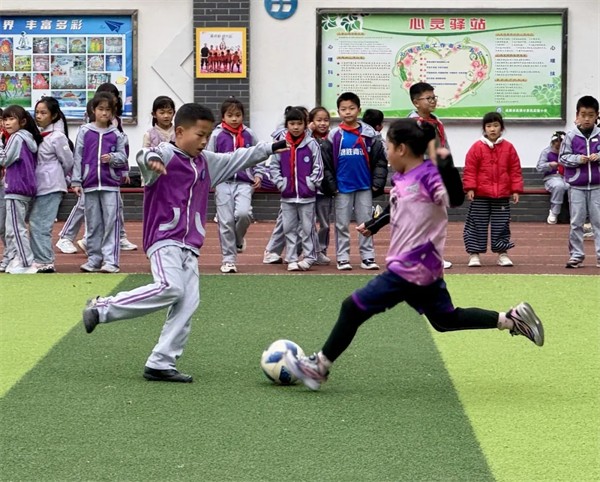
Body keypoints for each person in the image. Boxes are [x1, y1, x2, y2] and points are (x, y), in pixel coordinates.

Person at [284, 118, 545, 391]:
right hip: (422, 269)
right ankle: (511, 319)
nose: (386, 154)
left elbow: (454, 199)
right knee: (445, 320)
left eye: (388, 147)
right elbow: (399, 207)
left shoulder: (428, 176)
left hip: (412, 267)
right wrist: (375, 224)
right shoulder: (402, 177)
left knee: (352, 308)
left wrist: (445, 165)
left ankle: (319, 366)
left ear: (401, 149)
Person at [81, 103, 287, 383]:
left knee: (188, 301)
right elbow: (145, 155)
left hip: (190, 244)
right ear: (179, 132)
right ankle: (101, 308)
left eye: (207, 135)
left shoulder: (206, 162)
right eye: (199, 135)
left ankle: (160, 362)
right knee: (170, 287)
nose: (204, 141)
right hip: (163, 238)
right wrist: (151, 160)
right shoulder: (165, 155)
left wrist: (270, 148)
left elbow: (238, 157)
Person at [328, 92, 388, 270]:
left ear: (359, 110)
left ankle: (368, 257)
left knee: (366, 222)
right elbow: (327, 163)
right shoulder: (334, 135)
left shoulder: (369, 134)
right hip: (342, 187)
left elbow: (380, 160)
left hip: (364, 186)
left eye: (352, 108)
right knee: (342, 224)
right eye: (343, 109)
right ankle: (343, 258)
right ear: (338, 112)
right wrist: (332, 186)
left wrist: (377, 183)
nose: (348, 112)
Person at [71, 92, 128, 273]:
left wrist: (112, 158)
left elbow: (123, 157)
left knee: (111, 222)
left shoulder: (116, 134)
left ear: (113, 112)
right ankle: (94, 259)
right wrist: (76, 181)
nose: (104, 113)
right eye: (101, 109)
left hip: (110, 184)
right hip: (90, 183)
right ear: (93, 110)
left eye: (108, 110)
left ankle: (111, 261)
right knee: (93, 223)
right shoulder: (84, 131)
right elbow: (78, 156)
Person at [206, 97, 261, 273]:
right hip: (223, 182)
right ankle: (228, 259)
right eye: (230, 115)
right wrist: (210, 178)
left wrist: (258, 173)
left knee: (244, 214)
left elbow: (258, 154)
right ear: (223, 117)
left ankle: (238, 240)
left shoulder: (249, 134)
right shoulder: (216, 135)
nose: (234, 119)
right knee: (226, 221)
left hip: (244, 182)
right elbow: (209, 157)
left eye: (238, 115)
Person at [462, 112, 523, 268]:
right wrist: (470, 188)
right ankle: (474, 254)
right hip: (480, 195)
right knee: (476, 224)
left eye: (496, 125)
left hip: (501, 195)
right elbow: (470, 169)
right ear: (484, 128)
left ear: (501, 128)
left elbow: (515, 170)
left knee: (501, 225)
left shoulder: (509, 148)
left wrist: (515, 190)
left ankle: (502, 254)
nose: (492, 129)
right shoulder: (476, 147)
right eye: (489, 126)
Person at [408, 82, 455, 270]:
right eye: (428, 98)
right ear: (416, 102)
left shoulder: (437, 123)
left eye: (434, 97)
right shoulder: (411, 125)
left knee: (437, 219)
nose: (433, 101)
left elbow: (444, 148)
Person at [270, 107, 323, 271]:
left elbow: (318, 167)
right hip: (287, 196)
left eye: (299, 124)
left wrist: (311, 183)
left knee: (308, 229)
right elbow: (273, 166)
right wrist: (281, 183)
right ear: (286, 125)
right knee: (288, 229)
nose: (295, 127)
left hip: (307, 196)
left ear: (305, 125)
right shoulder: (280, 145)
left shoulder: (312, 143)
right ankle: (291, 258)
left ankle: (309, 257)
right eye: (292, 123)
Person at [30, 97, 74, 273]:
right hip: (40, 186)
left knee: (40, 223)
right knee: (37, 222)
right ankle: (40, 259)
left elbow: (68, 161)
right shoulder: (39, 136)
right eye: (37, 112)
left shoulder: (57, 137)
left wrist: (57, 176)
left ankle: (45, 261)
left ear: (54, 115)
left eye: (43, 113)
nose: (38, 116)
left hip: (51, 186)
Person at [0, 105, 43, 274]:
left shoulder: (17, 137)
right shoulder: (26, 138)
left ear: (22, 121)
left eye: (12, 119)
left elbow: (4, 160)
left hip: (16, 188)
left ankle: (25, 261)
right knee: (12, 228)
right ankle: (12, 258)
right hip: (23, 187)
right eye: (5, 119)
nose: (7, 123)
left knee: (16, 228)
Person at [559, 95, 600, 268]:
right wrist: (578, 159)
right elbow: (562, 157)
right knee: (576, 222)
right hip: (576, 186)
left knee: (598, 222)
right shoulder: (570, 136)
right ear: (577, 115)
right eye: (583, 115)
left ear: (597, 115)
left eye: (591, 115)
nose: (587, 119)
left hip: (597, 186)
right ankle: (576, 255)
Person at [309, 106, 335, 265]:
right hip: (308, 188)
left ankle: (322, 250)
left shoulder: (332, 139)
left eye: (326, 120)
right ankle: (308, 251)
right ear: (311, 122)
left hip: (325, 188)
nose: (323, 123)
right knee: (307, 223)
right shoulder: (306, 138)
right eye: (318, 120)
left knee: (324, 223)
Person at [536, 131, 568, 224]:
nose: (558, 144)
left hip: (566, 177)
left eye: (560, 142)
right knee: (559, 186)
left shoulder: (567, 152)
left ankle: (574, 214)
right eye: (556, 142)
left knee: (572, 187)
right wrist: (549, 165)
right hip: (551, 177)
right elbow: (539, 167)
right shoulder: (546, 152)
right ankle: (554, 212)